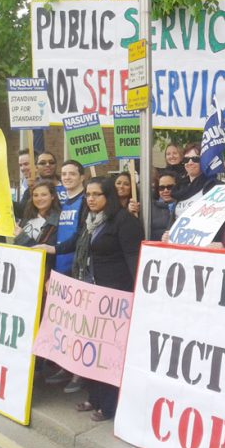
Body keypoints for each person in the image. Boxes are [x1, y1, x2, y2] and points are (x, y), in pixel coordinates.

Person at [73, 176, 144, 421]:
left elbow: (134, 260)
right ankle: (94, 397)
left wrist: (137, 296)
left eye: (96, 194)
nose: (90, 199)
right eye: (88, 195)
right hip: (91, 294)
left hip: (115, 298)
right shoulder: (90, 221)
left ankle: (109, 405)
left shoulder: (124, 221)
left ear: (108, 196)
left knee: (109, 354)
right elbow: (75, 245)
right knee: (90, 349)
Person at [171, 143, 218, 218]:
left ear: (204, 161)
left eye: (195, 159)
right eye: (186, 159)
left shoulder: (213, 186)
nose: (190, 163)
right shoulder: (180, 187)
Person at [151, 171, 177, 241]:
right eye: (161, 188)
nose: (165, 190)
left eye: (170, 187)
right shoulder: (149, 208)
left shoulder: (184, 206)